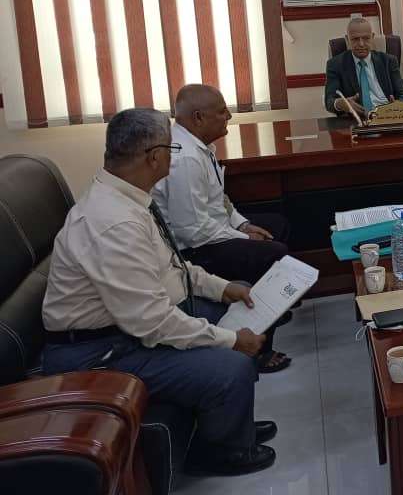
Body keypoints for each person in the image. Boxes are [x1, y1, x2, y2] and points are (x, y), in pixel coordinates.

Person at [41, 108, 278, 476]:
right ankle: (219, 451)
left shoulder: (127, 198)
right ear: (154, 157)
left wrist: (223, 288)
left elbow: (173, 268)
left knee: (241, 299)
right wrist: (231, 340)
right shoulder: (113, 222)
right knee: (230, 364)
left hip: (125, 331)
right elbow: (152, 323)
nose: (173, 155)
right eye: (171, 148)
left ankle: (231, 421)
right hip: (99, 353)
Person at [151, 84, 293, 373]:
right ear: (198, 117)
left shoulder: (200, 147)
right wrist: (243, 237)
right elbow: (193, 231)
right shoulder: (185, 159)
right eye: (222, 112)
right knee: (272, 253)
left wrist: (243, 224)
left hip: (211, 231)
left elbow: (219, 202)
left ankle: (272, 307)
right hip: (194, 250)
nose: (228, 115)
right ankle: (259, 349)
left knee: (278, 225)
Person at [325, 16, 403, 117]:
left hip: (388, 116)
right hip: (357, 119)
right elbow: (329, 101)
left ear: (372, 37)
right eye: (355, 39)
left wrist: (397, 106)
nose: (361, 44)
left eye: (366, 38)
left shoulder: (388, 61)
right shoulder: (335, 64)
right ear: (347, 39)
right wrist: (341, 103)